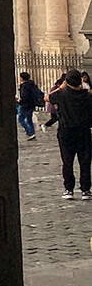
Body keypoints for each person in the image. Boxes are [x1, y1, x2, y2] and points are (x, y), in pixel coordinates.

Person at [48, 70, 92, 200]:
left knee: (67, 161)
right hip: (83, 131)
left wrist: (61, 88)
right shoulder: (87, 96)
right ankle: (86, 190)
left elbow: (47, 97)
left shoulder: (61, 94)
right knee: (85, 161)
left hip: (66, 131)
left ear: (66, 82)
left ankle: (69, 189)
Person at [16, 71, 43, 140]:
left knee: (21, 119)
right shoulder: (32, 84)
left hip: (25, 105)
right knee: (29, 119)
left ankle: (30, 132)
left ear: (22, 78)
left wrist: (20, 100)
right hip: (31, 104)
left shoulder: (24, 86)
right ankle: (32, 133)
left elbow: (25, 96)